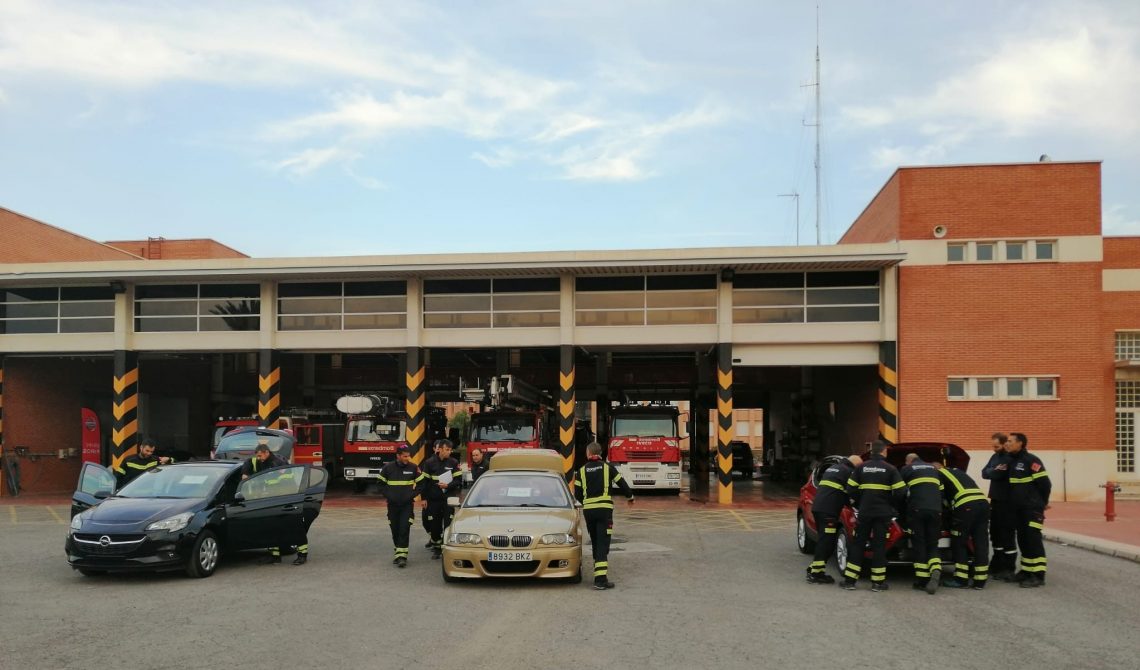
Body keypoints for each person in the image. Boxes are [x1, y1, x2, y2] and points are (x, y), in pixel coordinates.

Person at [840, 440, 905, 592]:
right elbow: (901, 492)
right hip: (883, 513)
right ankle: (877, 583)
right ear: (884, 452)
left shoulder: (861, 467)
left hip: (865, 512)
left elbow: (850, 489)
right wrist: (890, 504)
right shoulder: (891, 469)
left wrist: (860, 502)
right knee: (879, 546)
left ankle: (850, 581)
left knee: (858, 544)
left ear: (871, 452)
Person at [573, 442, 634, 590]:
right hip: (604, 511)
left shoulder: (581, 471)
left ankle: (598, 573)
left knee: (595, 541)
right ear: (600, 453)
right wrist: (630, 496)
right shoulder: (608, 468)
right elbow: (621, 483)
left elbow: (578, 495)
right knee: (603, 543)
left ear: (588, 453)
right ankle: (600, 580)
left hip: (589, 512)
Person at [239, 441, 300, 564]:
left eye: (260, 455)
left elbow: (281, 483)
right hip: (268, 499)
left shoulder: (278, 463)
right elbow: (246, 472)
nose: (258, 458)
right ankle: (275, 556)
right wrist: (246, 478)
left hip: (283, 498)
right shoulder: (256, 460)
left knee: (289, 525)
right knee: (271, 527)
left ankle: (301, 554)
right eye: (257, 456)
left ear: (267, 452)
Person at [805, 454, 862, 584]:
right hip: (828, 511)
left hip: (819, 508)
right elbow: (852, 491)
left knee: (823, 540)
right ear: (855, 465)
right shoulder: (849, 472)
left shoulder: (833, 468)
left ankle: (815, 569)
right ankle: (816, 573)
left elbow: (840, 490)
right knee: (827, 542)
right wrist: (858, 504)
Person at [933, 461, 990, 589]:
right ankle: (980, 581)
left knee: (959, 542)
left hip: (966, 507)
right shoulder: (958, 471)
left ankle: (961, 579)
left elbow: (940, 497)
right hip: (983, 504)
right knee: (980, 541)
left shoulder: (938, 474)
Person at [1006, 432, 1051, 588]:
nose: (1008, 443)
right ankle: (1026, 571)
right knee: (1023, 539)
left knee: (1033, 539)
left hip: (1032, 508)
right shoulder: (1012, 461)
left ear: (1020, 443)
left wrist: (1041, 503)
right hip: (1019, 509)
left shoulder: (1031, 460)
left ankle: (1038, 575)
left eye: (1011, 441)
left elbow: (1045, 484)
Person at [901, 452, 944, 594]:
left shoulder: (907, 469)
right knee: (932, 544)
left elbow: (900, 491)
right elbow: (942, 492)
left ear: (909, 461)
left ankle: (922, 581)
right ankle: (936, 569)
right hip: (936, 510)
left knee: (919, 544)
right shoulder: (934, 469)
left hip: (917, 510)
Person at [378, 445, 424, 568]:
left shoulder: (413, 468)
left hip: (407, 506)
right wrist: (389, 496)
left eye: (408, 456)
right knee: (395, 529)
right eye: (404, 456)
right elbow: (380, 484)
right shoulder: (388, 468)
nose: (407, 458)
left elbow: (422, 483)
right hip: (392, 506)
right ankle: (398, 552)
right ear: (398, 456)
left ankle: (402, 557)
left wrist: (412, 495)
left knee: (404, 528)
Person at [982, 432, 1016, 579]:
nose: (994, 449)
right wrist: (993, 470)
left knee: (1006, 534)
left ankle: (1009, 568)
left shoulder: (1008, 459)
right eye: (993, 446)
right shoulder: (995, 457)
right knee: (995, 533)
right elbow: (984, 473)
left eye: (996, 446)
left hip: (1006, 501)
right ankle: (997, 564)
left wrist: (993, 471)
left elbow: (997, 475)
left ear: (1003, 444)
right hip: (995, 499)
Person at [419, 438, 461, 560]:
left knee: (448, 525)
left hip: (448, 499)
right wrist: (424, 498)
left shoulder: (453, 462)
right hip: (434, 500)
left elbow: (458, 481)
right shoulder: (429, 463)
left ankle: (445, 548)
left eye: (450, 450)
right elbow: (424, 482)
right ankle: (437, 548)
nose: (449, 452)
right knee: (435, 525)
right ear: (440, 449)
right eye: (447, 450)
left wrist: (448, 485)